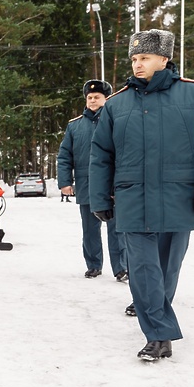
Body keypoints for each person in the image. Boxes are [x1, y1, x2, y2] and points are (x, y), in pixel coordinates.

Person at [89, 29, 194, 361]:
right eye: (135, 59)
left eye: (145, 58)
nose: (138, 64)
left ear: (164, 59)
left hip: (179, 198)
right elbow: (101, 155)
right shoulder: (116, 104)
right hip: (132, 200)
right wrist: (98, 198)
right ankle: (158, 335)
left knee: (167, 269)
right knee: (142, 268)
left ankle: (155, 316)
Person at [57, 80, 127, 281]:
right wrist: (65, 182)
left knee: (117, 229)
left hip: (112, 185)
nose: (93, 100)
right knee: (90, 229)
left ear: (106, 99)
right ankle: (94, 265)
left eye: (97, 97)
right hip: (87, 185)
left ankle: (121, 268)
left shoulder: (117, 121)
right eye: (90, 97)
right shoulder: (75, 126)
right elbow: (64, 155)